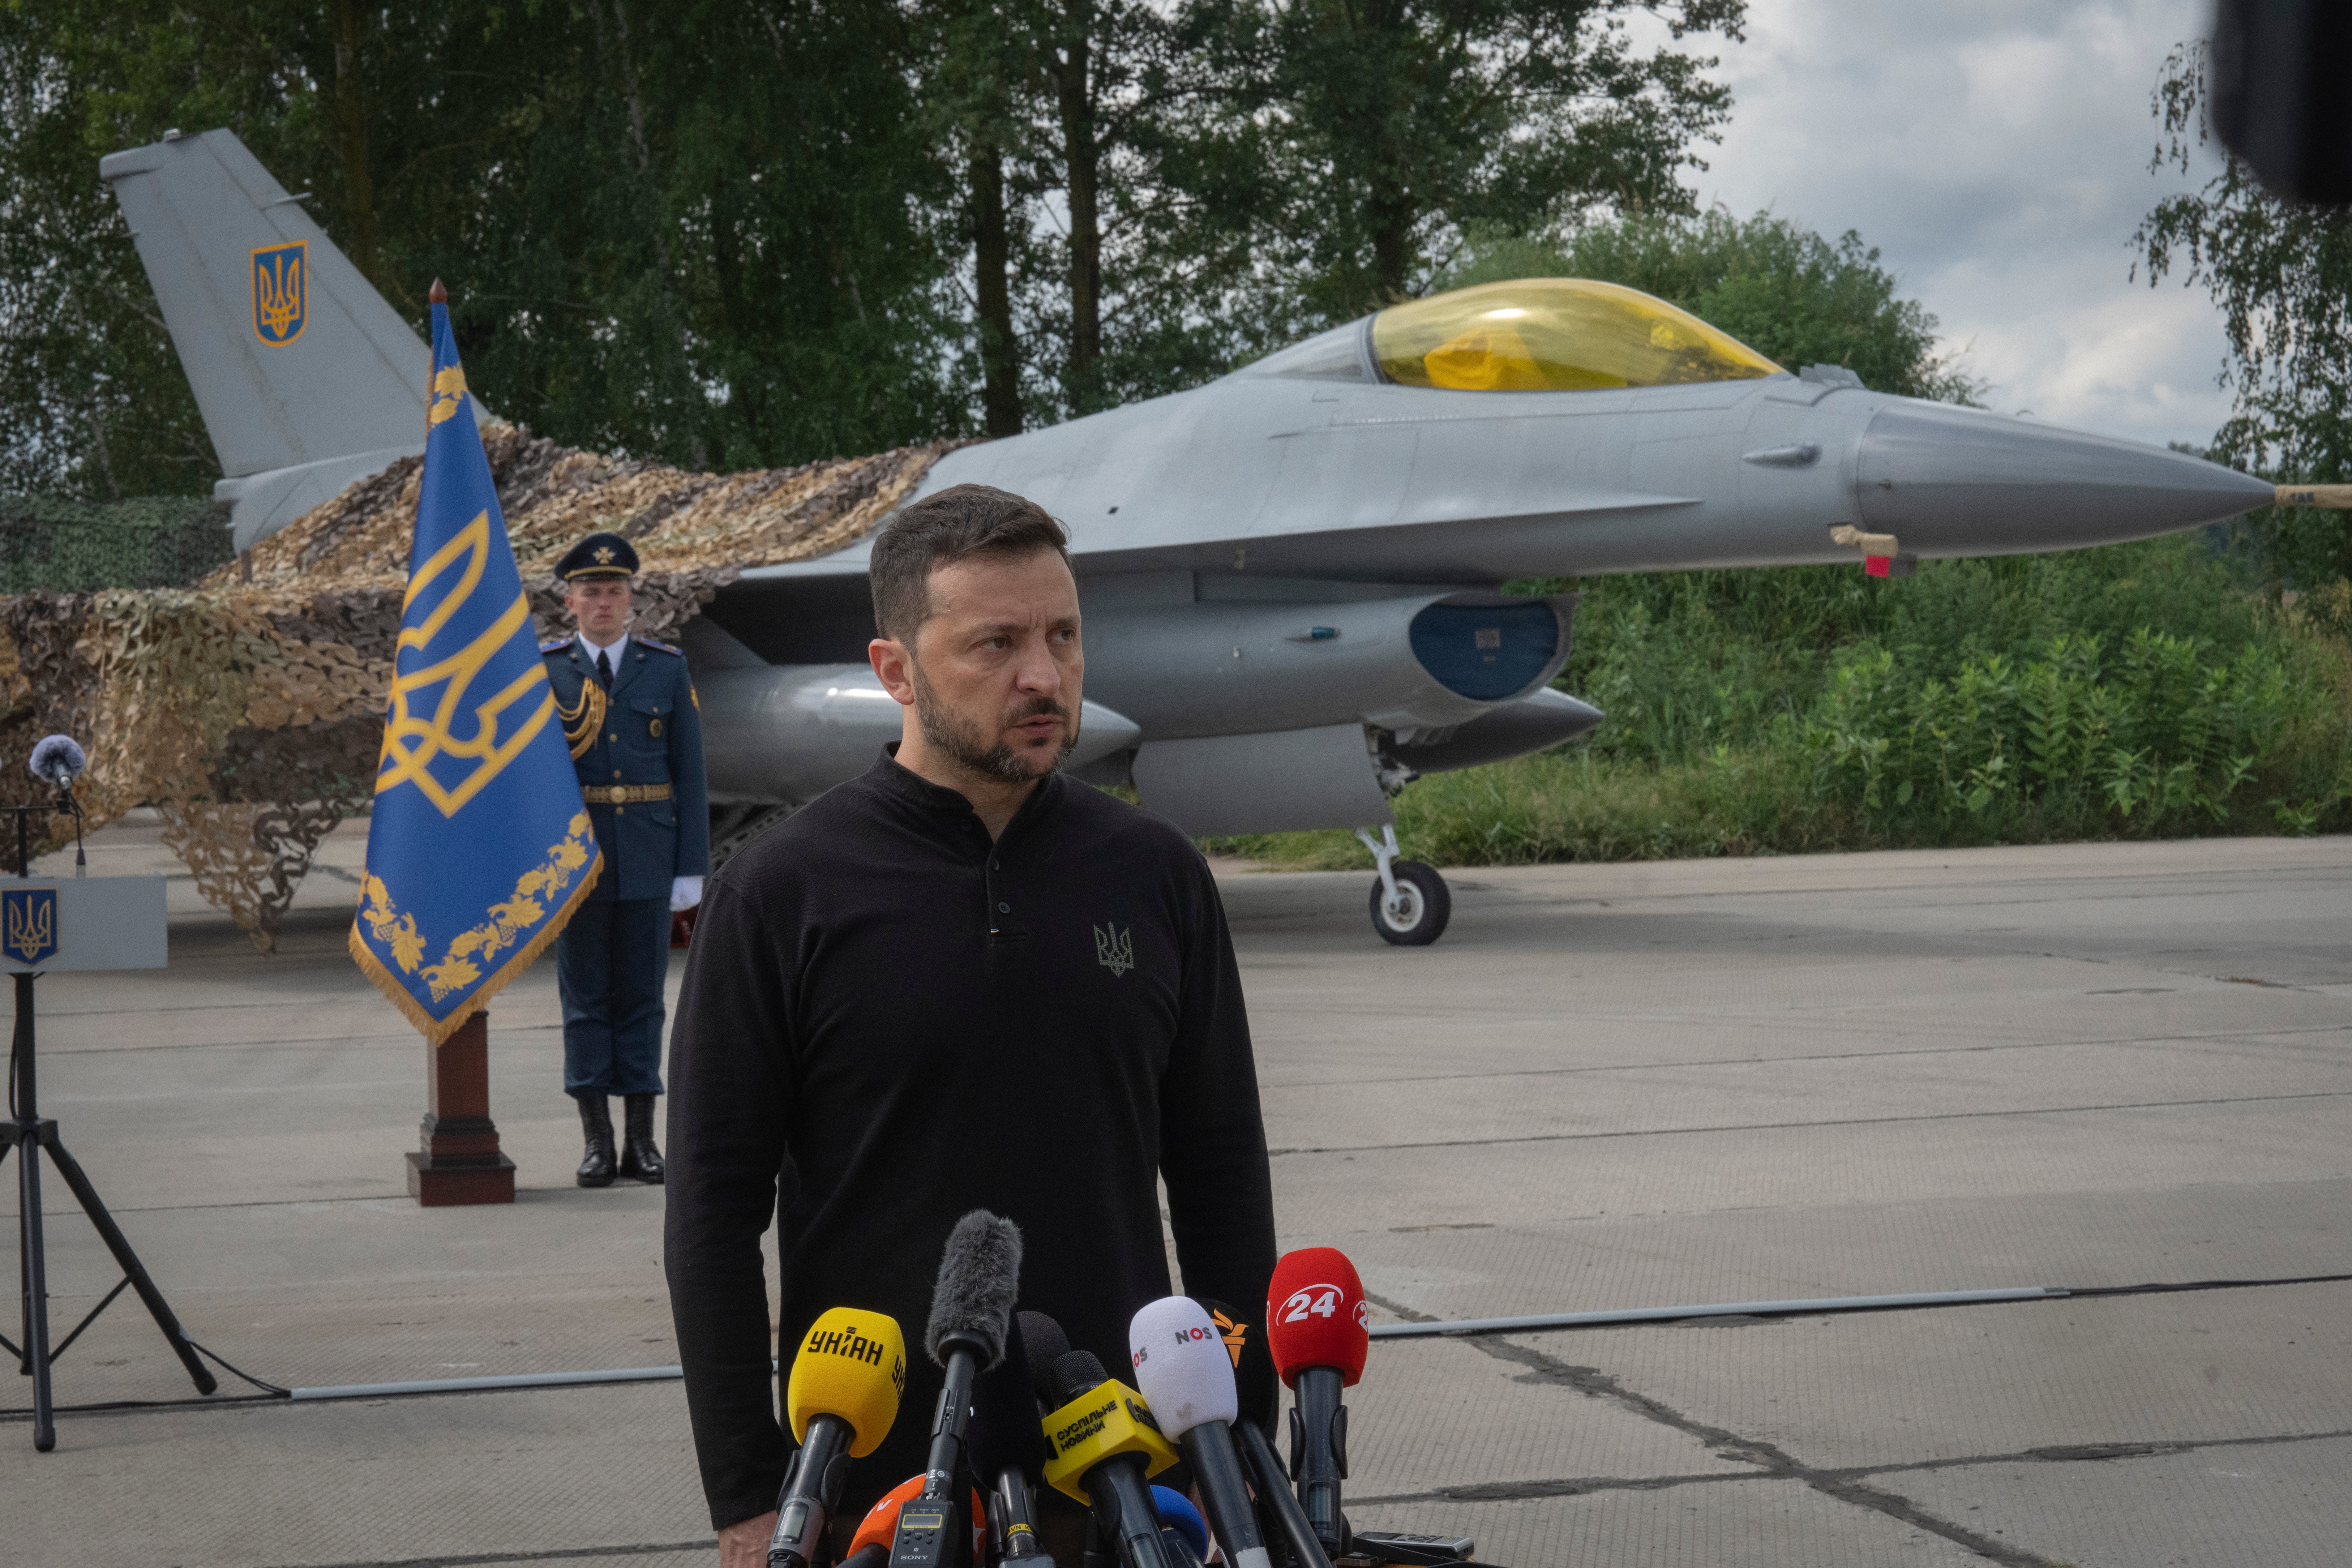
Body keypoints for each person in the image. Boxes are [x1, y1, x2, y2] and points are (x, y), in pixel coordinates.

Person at [663, 485, 1276, 1566]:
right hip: (875, 1492)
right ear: (894, 668)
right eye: (994, 643)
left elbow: (1222, 1176)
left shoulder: (1155, 876)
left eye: (1062, 637)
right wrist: (752, 1499)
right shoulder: (779, 893)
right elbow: (711, 1218)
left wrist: (1241, 1453)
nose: (1043, 676)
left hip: (1128, 1479)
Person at [543, 532, 710, 1188]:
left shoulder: (665, 669)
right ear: (570, 601)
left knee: (642, 999)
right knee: (584, 999)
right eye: (591, 592)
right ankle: (595, 1141)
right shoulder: (546, 670)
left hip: (648, 851)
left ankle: (641, 1141)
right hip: (574, 859)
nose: (603, 602)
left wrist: (690, 868)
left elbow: (689, 772)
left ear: (630, 599)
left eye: (614, 591)